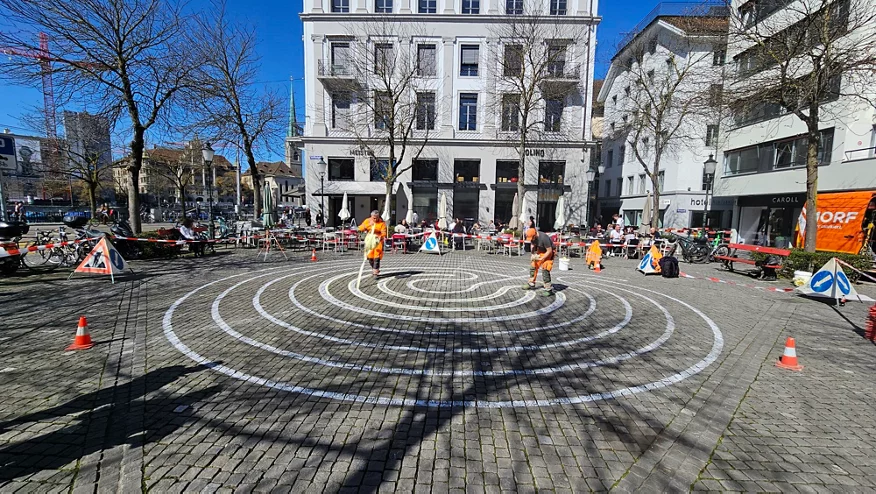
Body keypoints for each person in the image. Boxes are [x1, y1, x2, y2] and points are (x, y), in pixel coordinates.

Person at [523, 225, 555, 296]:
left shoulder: (544, 238)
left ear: (535, 235)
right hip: (540, 251)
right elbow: (532, 245)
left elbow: (549, 251)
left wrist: (542, 258)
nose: (531, 239)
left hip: (549, 252)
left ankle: (549, 289)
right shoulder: (533, 238)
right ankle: (531, 283)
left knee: (545, 268)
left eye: (532, 238)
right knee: (533, 266)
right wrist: (532, 254)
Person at [359, 210, 388, 277]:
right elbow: (360, 228)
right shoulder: (367, 221)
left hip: (378, 242)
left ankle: (375, 272)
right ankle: (374, 268)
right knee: (370, 257)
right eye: (374, 218)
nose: (375, 219)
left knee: (376, 257)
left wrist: (380, 236)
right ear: (371, 216)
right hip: (369, 241)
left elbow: (384, 232)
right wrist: (368, 225)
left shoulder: (382, 223)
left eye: (377, 218)